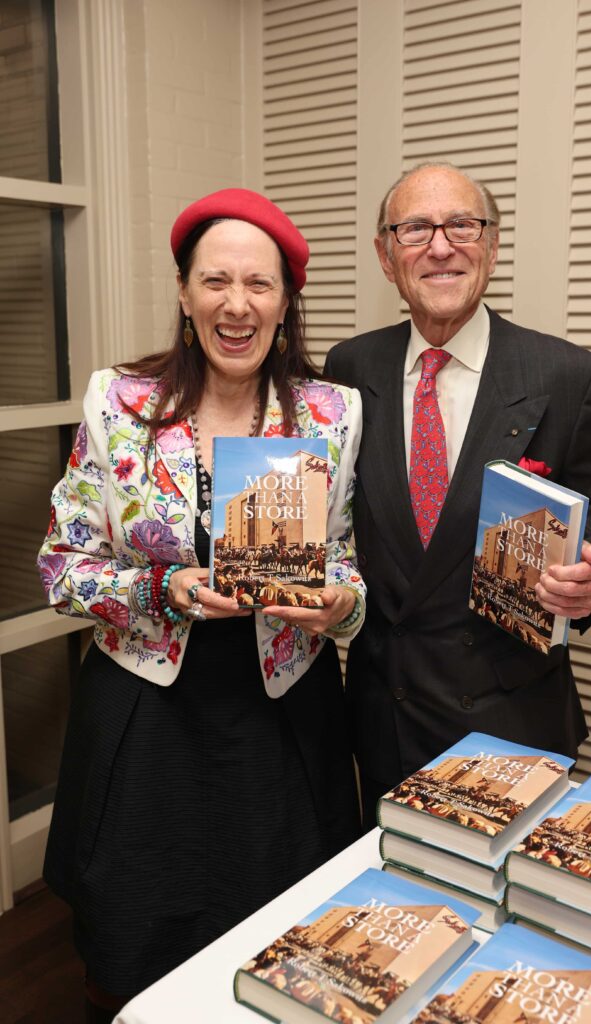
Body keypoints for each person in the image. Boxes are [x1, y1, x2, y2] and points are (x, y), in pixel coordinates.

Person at [38, 188, 365, 1019]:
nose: (236, 303)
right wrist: (160, 588)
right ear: (184, 293)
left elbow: (346, 561)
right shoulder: (120, 405)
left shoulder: (329, 412)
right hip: (148, 717)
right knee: (135, 932)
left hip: (282, 716)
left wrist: (340, 604)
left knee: (284, 942)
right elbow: (60, 567)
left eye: (260, 284)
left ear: (286, 303)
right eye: (215, 280)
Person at [324, 162, 591, 829]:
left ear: (491, 245)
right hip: (385, 713)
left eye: (461, 225)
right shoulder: (349, 369)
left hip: (510, 714)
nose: (439, 246)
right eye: (414, 229)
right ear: (385, 255)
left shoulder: (564, 374)